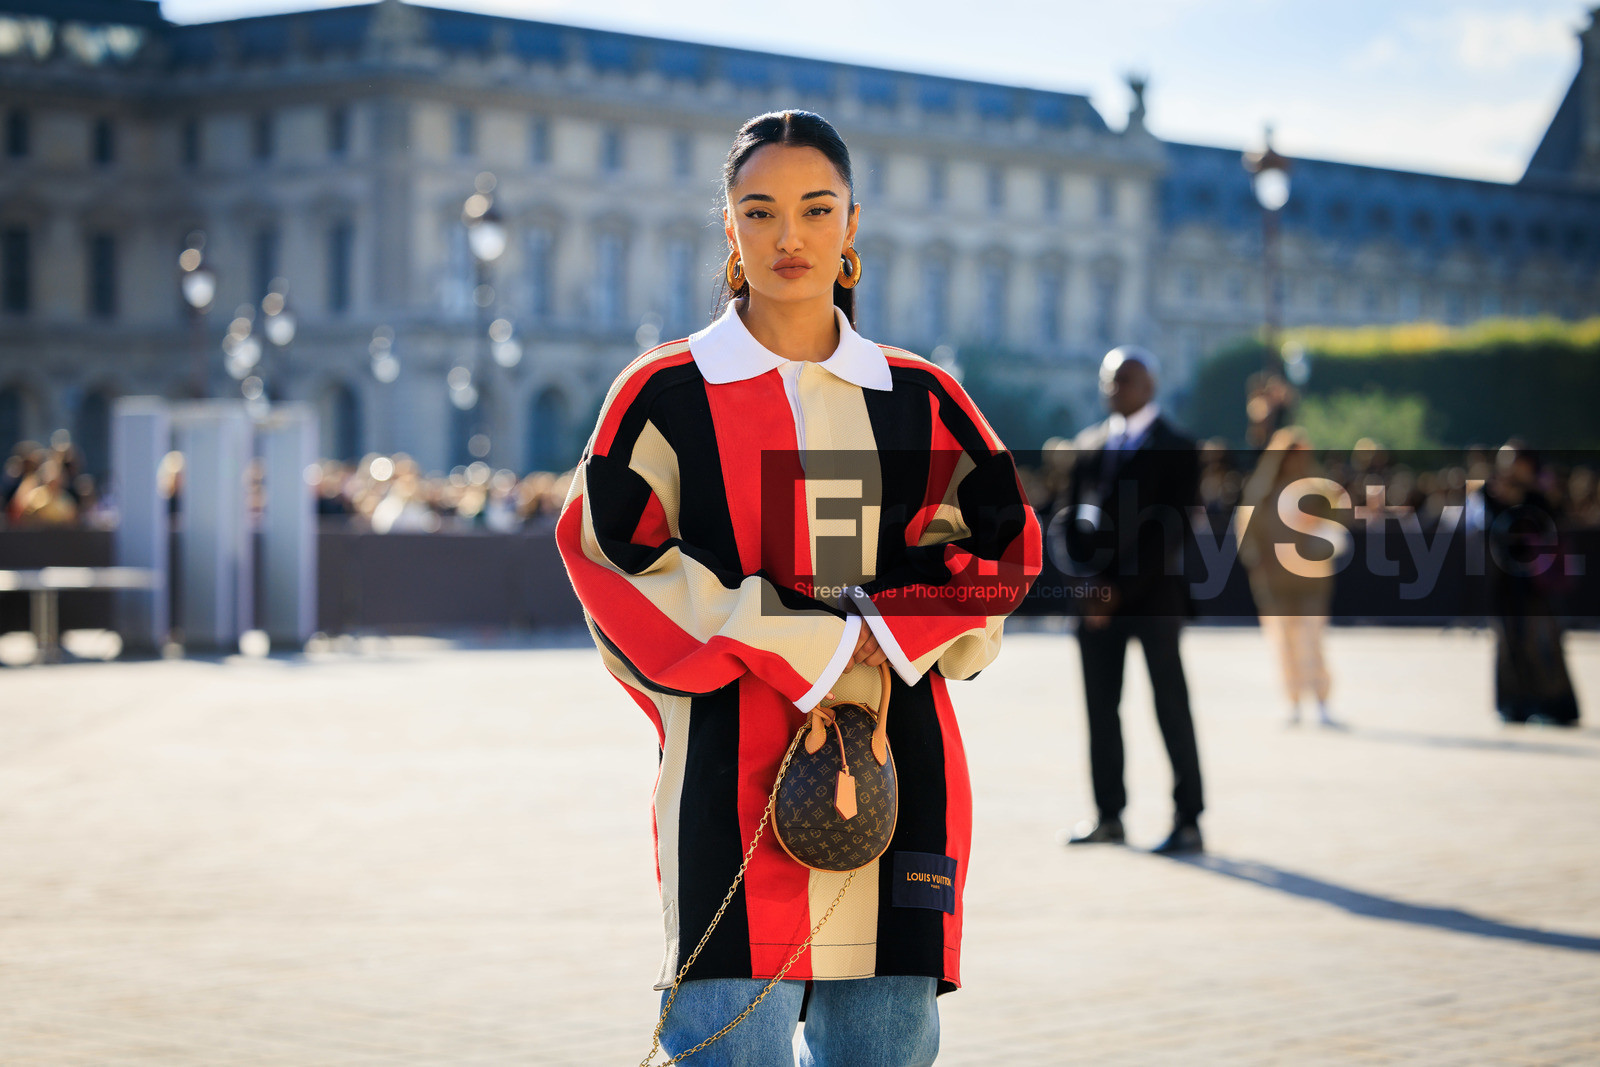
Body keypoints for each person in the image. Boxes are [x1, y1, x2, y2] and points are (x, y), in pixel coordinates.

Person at [557, 110, 1041, 1065]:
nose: (790, 236)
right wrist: (816, 641)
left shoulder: (921, 398)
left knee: (886, 1050)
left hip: (904, 775)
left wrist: (889, 630)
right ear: (729, 228)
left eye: (817, 209)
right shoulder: (664, 394)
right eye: (760, 210)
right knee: (728, 1047)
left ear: (852, 224)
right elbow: (610, 554)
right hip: (727, 784)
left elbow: (1003, 547)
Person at [1054, 346, 1205, 855]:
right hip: (1094, 604)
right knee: (1100, 709)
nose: (1112, 389)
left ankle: (1189, 818)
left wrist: (1116, 590)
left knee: (1170, 706)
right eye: (1108, 380)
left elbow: (1171, 531)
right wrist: (1084, 585)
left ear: (1149, 386)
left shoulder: (1178, 447)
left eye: (1123, 381)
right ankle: (1108, 816)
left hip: (1153, 599)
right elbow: (1067, 521)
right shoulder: (1089, 444)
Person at [1238, 427, 1345, 727]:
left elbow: (1337, 524)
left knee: (1311, 640)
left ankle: (1321, 700)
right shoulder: (1263, 492)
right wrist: (1257, 561)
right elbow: (1248, 532)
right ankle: (1294, 700)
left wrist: (1321, 516)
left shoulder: (1318, 489)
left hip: (1312, 579)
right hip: (1275, 582)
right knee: (1284, 642)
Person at [1477, 443, 1580, 726]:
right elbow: (1484, 527)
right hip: (1504, 583)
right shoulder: (1490, 493)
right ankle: (1513, 706)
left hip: (1536, 585)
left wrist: (1524, 499)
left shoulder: (1540, 495)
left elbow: (1552, 525)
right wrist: (1501, 499)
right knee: (1508, 644)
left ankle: (1554, 706)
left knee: (1542, 644)